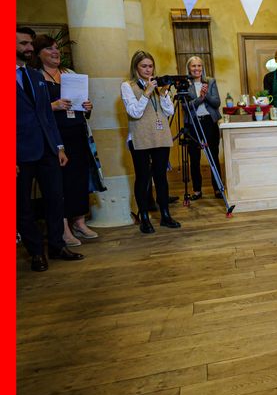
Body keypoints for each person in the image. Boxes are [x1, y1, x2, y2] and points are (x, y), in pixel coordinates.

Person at [17, 26, 83, 271]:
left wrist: (59, 147)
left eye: (30, 44)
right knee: (23, 205)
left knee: (55, 199)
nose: (28, 48)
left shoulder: (35, 77)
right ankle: (36, 252)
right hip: (20, 152)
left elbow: (46, 114)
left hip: (48, 148)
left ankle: (57, 245)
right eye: (23, 43)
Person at [33, 34, 104, 245]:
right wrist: (53, 106)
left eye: (56, 48)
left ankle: (79, 222)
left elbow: (81, 102)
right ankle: (63, 227)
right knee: (60, 182)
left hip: (77, 132)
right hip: (55, 135)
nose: (55, 52)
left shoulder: (69, 73)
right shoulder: (36, 77)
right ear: (39, 54)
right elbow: (32, 110)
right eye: (49, 49)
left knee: (79, 178)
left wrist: (87, 107)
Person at [121, 50, 180, 234]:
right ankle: (144, 217)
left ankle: (165, 215)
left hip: (160, 136)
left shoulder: (158, 85)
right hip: (140, 137)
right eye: (144, 66)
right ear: (136, 67)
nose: (148, 70)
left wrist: (163, 94)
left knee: (161, 177)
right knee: (143, 177)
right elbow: (134, 113)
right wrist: (147, 93)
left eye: (150, 66)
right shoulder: (127, 86)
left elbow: (169, 112)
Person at [185, 56, 222, 200]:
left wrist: (205, 96)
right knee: (194, 158)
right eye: (193, 66)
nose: (197, 69)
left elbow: (216, 103)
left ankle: (218, 188)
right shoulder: (184, 84)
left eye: (199, 66)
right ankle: (197, 190)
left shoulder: (210, 81)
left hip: (209, 122)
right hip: (193, 123)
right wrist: (200, 98)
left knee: (213, 156)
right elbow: (186, 107)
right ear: (189, 68)